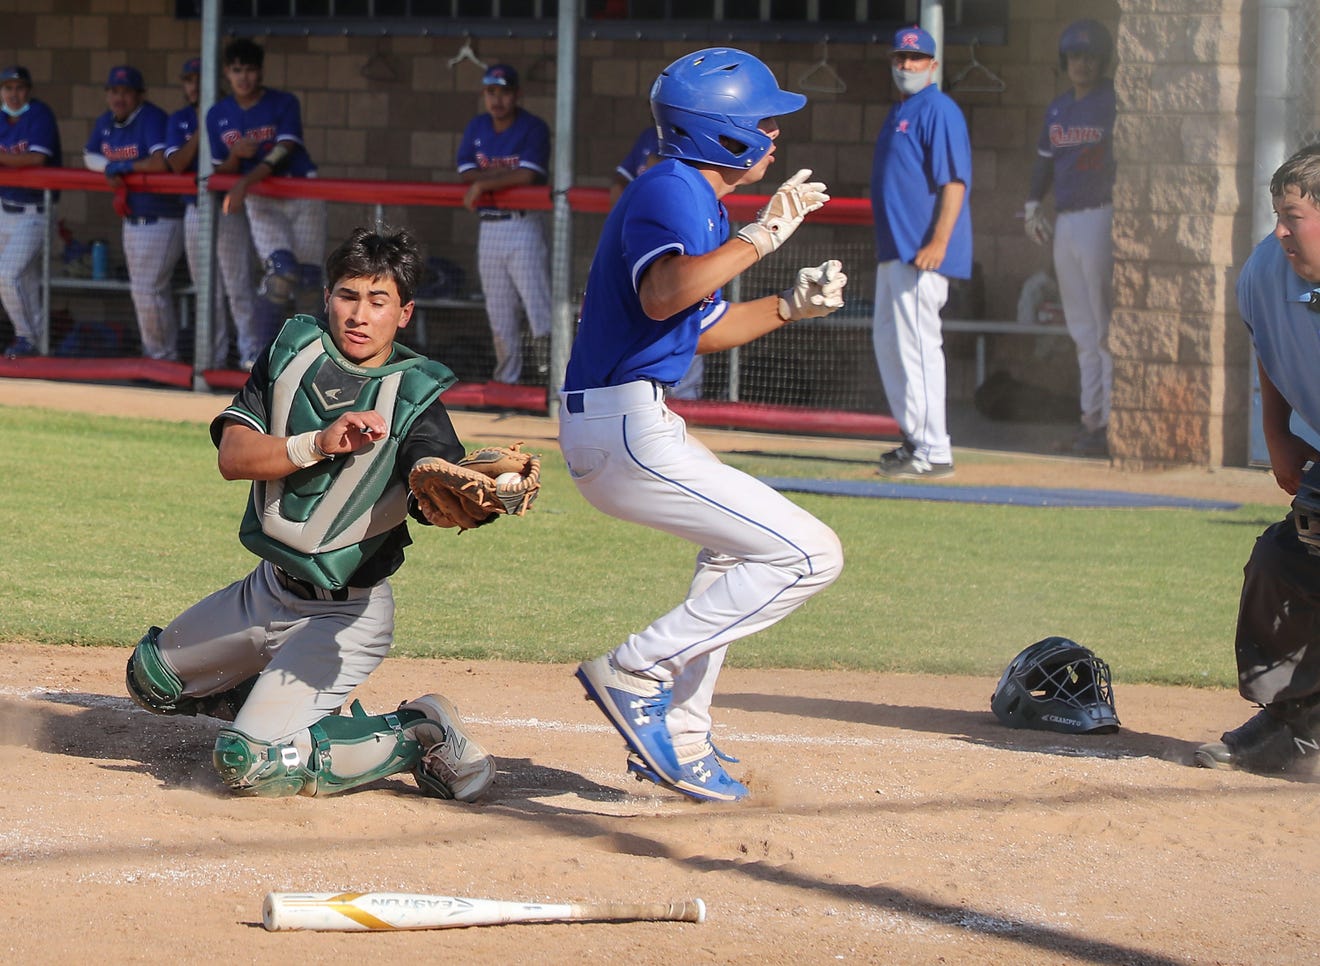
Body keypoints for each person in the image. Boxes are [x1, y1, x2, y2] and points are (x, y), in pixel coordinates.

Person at [123, 225, 497, 801]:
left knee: (250, 762)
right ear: (327, 298)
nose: (360, 314)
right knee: (151, 677)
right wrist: (318, 442)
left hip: (346, 616)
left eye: (379, 301)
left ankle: (419, 732)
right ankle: (302, 710)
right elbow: (233, 457)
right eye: (349, 295)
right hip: (267, 592)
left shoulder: (416, 400)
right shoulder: (291, 357)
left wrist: (460, 497)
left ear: (404, 313)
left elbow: (437, 489)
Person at [562, 48, 846, 802]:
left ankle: (681, 737)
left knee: (733, 554)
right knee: (811, 555)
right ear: (721, 134)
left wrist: (790, 304)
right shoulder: (671, 187)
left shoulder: (692, 192)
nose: (773, 135)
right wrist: (761, 238)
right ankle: (636, 669)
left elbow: (704, 325)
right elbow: (663, 294)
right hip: (623, 424)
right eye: (761, 121)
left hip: (631, 419)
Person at [1194, 145, 1320, 776]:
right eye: (1277, 213)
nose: (1279, 230)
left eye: (1292, 215)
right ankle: (1295, 726)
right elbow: (1270, 345)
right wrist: (1276, 434)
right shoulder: (1267, 272)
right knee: (1284, 560)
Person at [870, 25, 973, 480]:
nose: (908, 65)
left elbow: (954, 182)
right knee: (890, 344)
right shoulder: (902, 109)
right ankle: (915, 439)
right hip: (895, 250)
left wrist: (938, 242)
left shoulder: (939, 108)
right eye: (901, 58)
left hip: (921, 252)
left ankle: (936, 449)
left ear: (932, 65)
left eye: (916, 59)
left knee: (918, 348)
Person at [1022, 19, 1116, 459]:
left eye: (1090, 55)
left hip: (1100, 216)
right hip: (1067, 220)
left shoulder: (1111, 101)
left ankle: (1111, 423)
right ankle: (1091, 422)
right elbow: (1044, 163)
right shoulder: (1059, 108)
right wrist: (1031, 204)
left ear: (1102, 60)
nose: (1083, 63)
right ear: (1065, 61)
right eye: (1076, 56)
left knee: (1102, 328)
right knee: (1081, 329)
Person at [207, 37, 326, 369]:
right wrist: (235, 157)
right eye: (236, 70)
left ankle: (312, 358)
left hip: (300, 190)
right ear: (227, 74)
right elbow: (220, 168)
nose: (243, 77)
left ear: (260, 73)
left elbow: (284, 148)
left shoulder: (283, 102)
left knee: (308, 281)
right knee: (280, 272)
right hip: (262, 198)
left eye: (249, 70)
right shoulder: (218, 114)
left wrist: (244, 181)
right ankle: (257, 354)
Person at [456, 63, 552, 385]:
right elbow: (465, 170)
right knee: (499, 315)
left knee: (540, 312)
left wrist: (484, 185)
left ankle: (554, 386)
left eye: (504, 92)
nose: (497, 99)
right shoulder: (477, 126)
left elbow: (527, 174)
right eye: (491, 92)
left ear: (517, 94)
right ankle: (507, 384)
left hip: (522, 226)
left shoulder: (533, 127)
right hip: (490, 228)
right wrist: (495, 180)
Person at [83, 65, 186, 362]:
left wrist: (125, 167)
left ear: (139, 95)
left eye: (126, 91)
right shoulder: (106, 122)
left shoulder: (151, 117)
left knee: (148, 289)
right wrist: (108, 167)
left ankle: (162, 357)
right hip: (133, 220)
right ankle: (158, 355)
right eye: (114, 91)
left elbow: (160, 163)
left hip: (163, 218)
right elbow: (90, 155)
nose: (119, 97)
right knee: (145, 290)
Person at [164, 56, 259, 371]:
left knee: (238, 285)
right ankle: (212, 358)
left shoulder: (230, 114)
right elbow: (177, 163)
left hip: (228, 209)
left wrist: (211, 121)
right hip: (196, 209)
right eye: (190, 81)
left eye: (200, 81)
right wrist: (201, 123)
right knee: (206, 289)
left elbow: (235, 163)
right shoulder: (180, 119)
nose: (195, 87)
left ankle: (250, 355)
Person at [611, 124, 704, 400]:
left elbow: (658, 164)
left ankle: (686, 399)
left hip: (683, 239)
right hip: (649, 241)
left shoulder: (695, 137)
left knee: (691, 316)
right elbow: (623, 178)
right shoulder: (649, 135)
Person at [0, 66, 61, 359]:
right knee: (25, 282)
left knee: (7, 276)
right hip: (4, 209)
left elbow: (37, 158)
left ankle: (25, 337)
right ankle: (38, 346)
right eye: (8, 88)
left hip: (35, 212)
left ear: (29, 90)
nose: (14, 94)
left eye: (20, 88)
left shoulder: (40, 114)